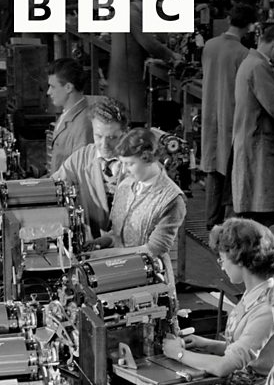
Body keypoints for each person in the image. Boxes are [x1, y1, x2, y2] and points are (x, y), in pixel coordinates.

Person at [161, 218, 274, 385]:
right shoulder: (253, 293)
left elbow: (225, 366)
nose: (221, 267)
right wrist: (206, 344)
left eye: (222, 259)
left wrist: (178, 353)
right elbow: (245, 350)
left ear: (239, 259)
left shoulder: (268, 308)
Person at [232, 23, 274, 228]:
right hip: (259, 148)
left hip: (252, 142)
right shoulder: (259, 66)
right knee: (265, 218)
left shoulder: (250, 62)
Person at [88, 128, 186, 260]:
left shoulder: (171, 199)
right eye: (122, 163)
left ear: (147, 158)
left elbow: (154, 249)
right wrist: (101, 242)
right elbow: (118, 233)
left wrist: (105, 254)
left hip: (149, 270)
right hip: (117, 265)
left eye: (129, 164)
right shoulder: (125, 185)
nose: (123, 170)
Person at [201, 3, 256, 229]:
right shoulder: (243, 54)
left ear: (229, 19)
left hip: (209, 113)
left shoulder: (209, 45)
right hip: (230, 116)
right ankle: (229, 226)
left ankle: (211, 222)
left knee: (213, 169)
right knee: (230, 170)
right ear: (250, 26)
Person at [51, 97, 128, 239]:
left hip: (131, 245)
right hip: (92, 244)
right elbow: (53, 189)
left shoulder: (139, 163)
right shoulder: (80, 159)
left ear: (125, 133)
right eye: (98, 136)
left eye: (112, 138)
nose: (104, 145)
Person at [108, 0, 181, 126]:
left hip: (125, 78)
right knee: (130, 122)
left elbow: (153, 34)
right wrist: (172, 57)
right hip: (127, 80)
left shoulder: (131, 12)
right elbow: (149, 44)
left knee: (125, 120)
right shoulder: (132, 15)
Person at [46, 58, 96, 176]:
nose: (48, 92)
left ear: (68, 87)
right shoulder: (67, 113)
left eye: (53, 87)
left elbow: (80, 172)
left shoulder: (83, 125)